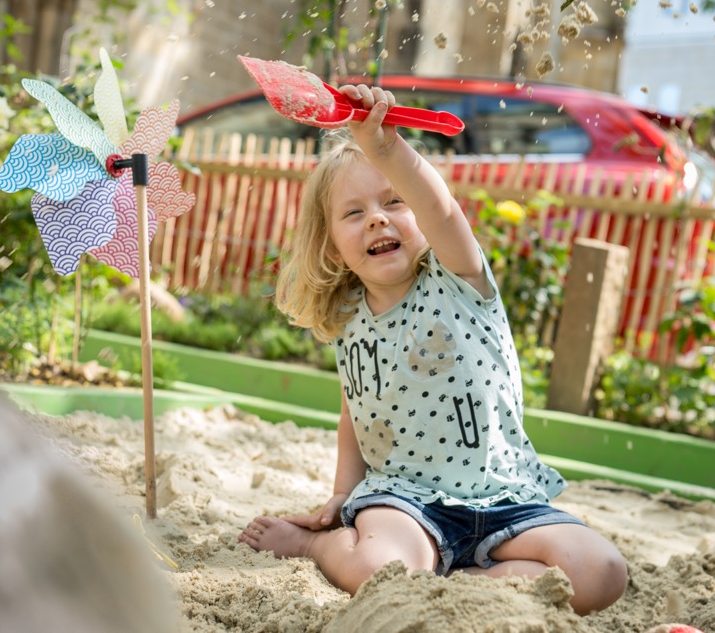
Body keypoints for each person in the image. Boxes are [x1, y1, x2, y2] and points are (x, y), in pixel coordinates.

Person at [237, 83, 628, 615]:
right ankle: (314, 546)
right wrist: (342, 494)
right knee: (386, 571)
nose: (377, 218)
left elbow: (440, 209)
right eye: (354, 213)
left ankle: (463, 578)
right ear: (330, 242)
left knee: (601, 572)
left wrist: (386, 151)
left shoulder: (460, 278)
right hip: (404, 501)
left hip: (505, 499)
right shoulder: (350, 316)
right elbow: (355, 406)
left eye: (394, 201)